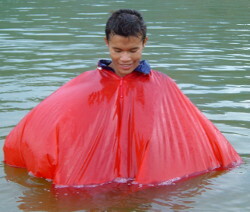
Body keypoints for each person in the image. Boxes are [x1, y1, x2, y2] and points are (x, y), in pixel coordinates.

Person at [3, 9, 242, 186]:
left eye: (133, 50)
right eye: (117, 50)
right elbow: (55, 119)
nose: (125, 58)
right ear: (106, 43)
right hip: (98, 175)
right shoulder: (87, 85)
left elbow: (193, 129)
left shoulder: (162, 86)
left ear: (144, 43)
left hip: (142, 174)